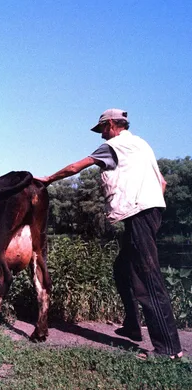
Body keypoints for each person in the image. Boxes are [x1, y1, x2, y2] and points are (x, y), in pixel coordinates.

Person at [36, 108, 183, 360]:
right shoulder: (141, 145)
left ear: (113, 124)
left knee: (149, 279)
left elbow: (75, 167)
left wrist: (47, 179)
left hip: (140, 214)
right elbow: (163, 184)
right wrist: (148, 203)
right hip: (150, 211)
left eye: (103, 128)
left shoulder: (115, 145)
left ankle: (169, 349)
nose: (102, 135)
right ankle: (132, 326)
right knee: (122, 269)